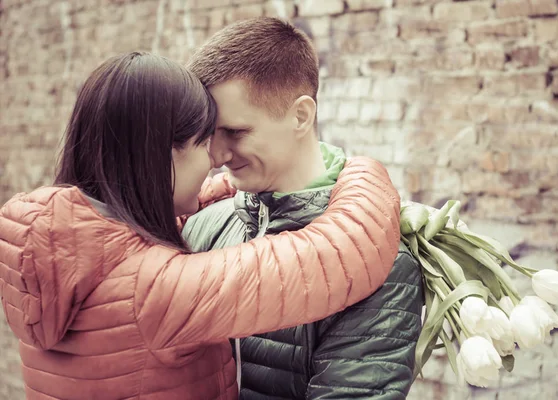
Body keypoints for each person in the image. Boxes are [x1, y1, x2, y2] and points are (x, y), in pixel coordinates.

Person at [0, 52, 402, 400]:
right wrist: (362, 171)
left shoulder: (56, 255)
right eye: (204, 142)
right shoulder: (154, 291)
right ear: (158, 156)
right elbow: (348, 250)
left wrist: (222, 190)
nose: (215, 159)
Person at [184, 17, 424, 399]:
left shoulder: (380, 264)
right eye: (210, 134)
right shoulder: (204, 225)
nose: (217, 154)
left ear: (300, 115)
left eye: (235, 132)